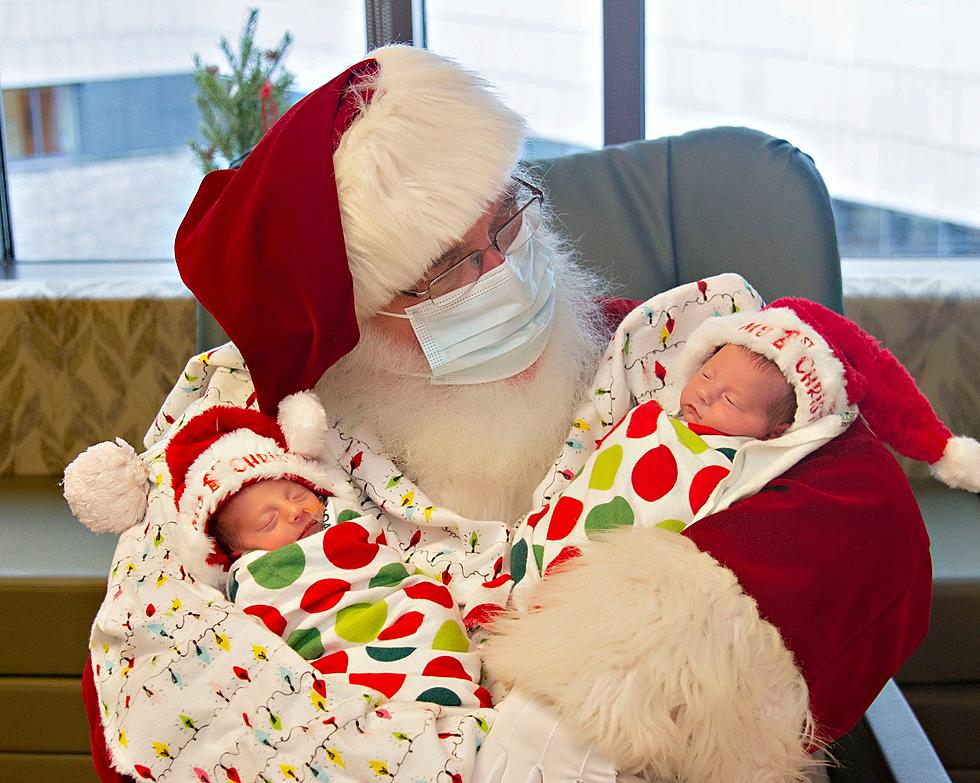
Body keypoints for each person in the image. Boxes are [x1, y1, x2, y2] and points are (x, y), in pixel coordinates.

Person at [63, 45, 978, 783]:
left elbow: (866, 517)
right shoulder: (254, 448)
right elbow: (156, 686)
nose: (502, 270)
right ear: (350, 318)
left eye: (507, 217)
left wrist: (590, 700)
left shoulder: (674, 359)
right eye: (447, 268)